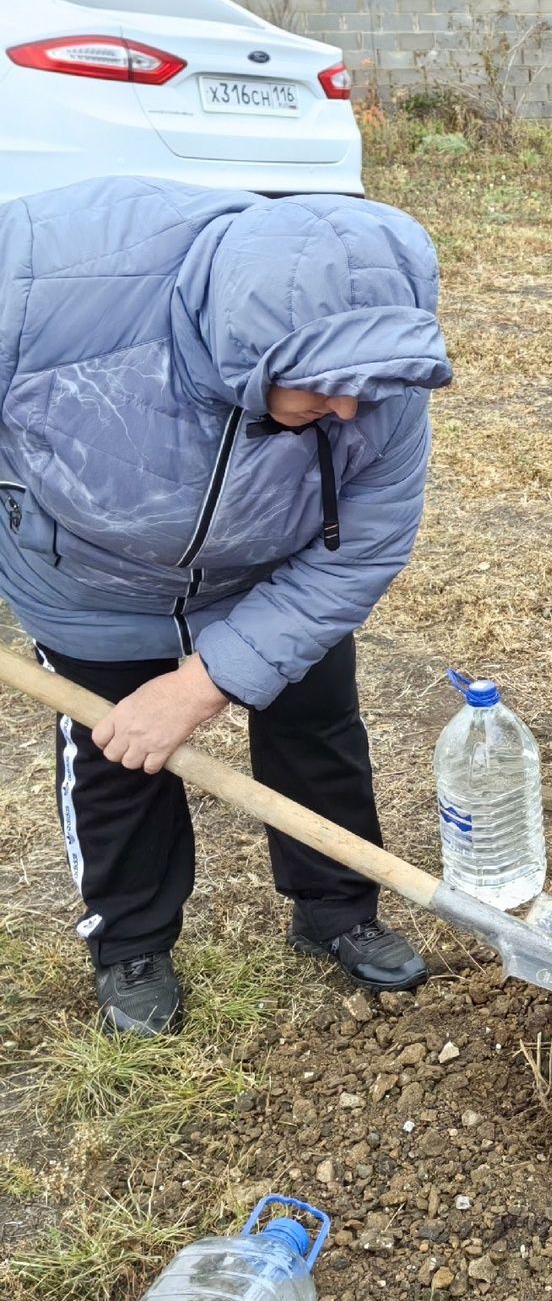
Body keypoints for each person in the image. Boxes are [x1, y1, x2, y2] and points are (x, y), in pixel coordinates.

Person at [0, 177, 453, 1034]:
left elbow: (364, 546)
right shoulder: (38, 277)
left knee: (316, 727)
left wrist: (205, 682)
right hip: (86, 573)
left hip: (273, 568)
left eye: (367, 386)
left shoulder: (381, 385)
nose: (350, 408)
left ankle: (338, 911)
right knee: (120, 753)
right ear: (248, 342)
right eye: (322, 383)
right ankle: (131, 944)